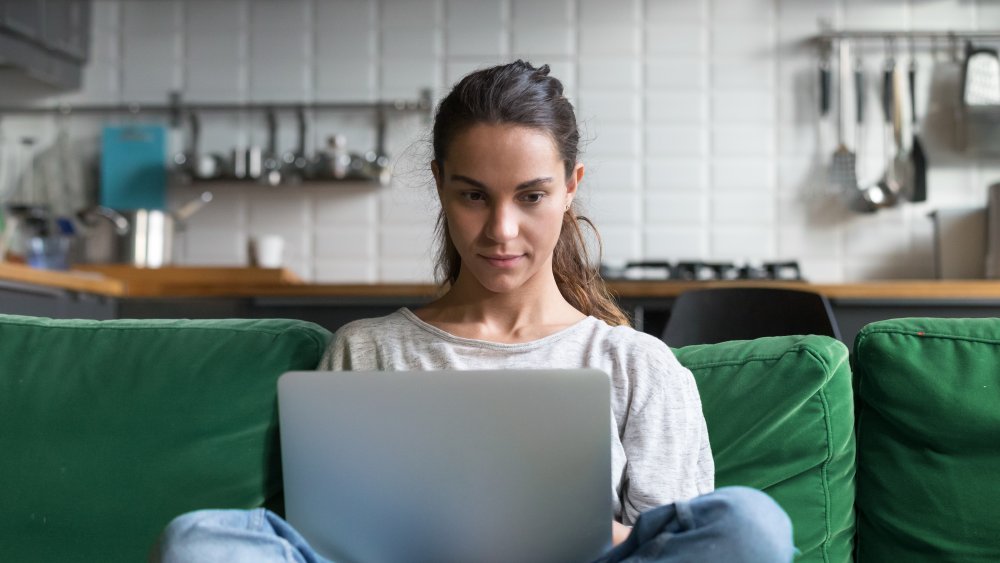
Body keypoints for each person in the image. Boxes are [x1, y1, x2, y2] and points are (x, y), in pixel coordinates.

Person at [154, 61, 794, 563]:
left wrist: (571, 529)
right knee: (198, 541)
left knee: (750, 526)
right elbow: (326, 537)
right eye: (473, 196)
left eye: (532, 195)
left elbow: (680, 545)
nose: (501, 230)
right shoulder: (367, 351)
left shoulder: (634, 365)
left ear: (570, 188)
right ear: (439, 184)